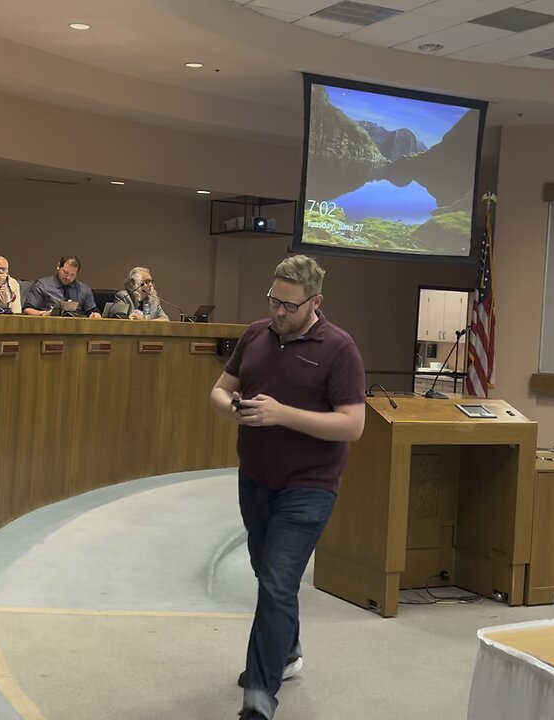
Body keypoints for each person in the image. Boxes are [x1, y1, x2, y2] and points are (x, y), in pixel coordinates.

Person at [208, 255, 365, 720]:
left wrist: (282, 415)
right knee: (267, 573)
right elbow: (219, 389)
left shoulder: (340, 349)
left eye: (289, 306)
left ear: (315, 302)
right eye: (273, 300)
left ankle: (259, 696)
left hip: (310, 485)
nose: (278, 311)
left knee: (277, 582)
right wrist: (231, 407)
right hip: (256, 478)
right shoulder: (256, 334)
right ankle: (288, 648)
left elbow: (352, 425)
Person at [22, 255, 100, 318]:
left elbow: (92, 310)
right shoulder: (42, 285)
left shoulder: (83, 289)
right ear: (58, 266)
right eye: (66, 272)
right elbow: (27, 310)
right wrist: (44, 314)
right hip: (48, 326)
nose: (68, 277)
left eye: (72, 275)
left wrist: (95, 315)